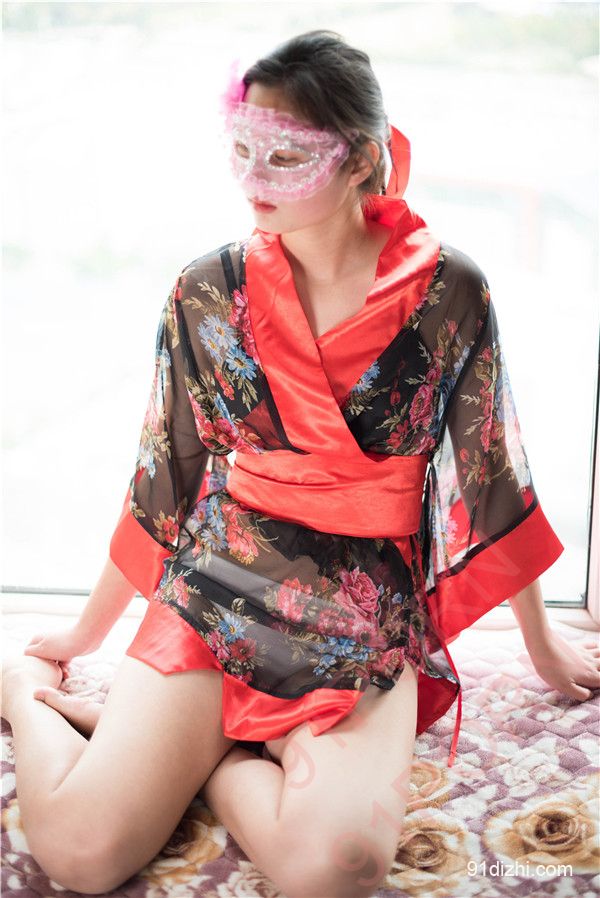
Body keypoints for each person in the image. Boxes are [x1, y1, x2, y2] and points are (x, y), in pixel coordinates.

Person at [3, 29, 599, 898]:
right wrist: (83, 639)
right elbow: (165, 474)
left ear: (359, 160)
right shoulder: (207, 290)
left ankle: (212, 762)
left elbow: (490, 469)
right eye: (243, 149)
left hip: (364, 609)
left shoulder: (449, 292)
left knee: (335, 870)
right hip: (220, 583)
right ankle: (21, 689)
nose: (256, 178)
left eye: (286, 157)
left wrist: (542, 644)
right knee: (83, 855)